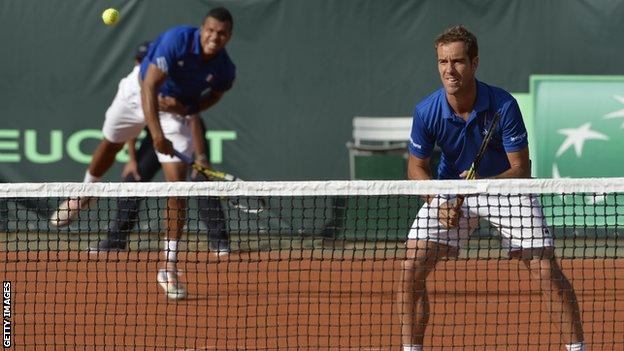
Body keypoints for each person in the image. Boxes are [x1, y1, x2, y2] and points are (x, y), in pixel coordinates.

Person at [397, 25, 585, 351]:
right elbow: (416, 167)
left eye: (457, 61)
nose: (449, 70)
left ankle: (577, 348)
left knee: (545, 270)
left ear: (474, 63)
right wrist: (437, 200)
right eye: (442, 62)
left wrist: (480, 187)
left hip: (505, 190)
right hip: (449, 190)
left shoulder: (503, 105)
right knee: (410, 269)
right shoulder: (426, 111)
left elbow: (522, 169)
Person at [50, 7, 236, 300]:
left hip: (173, 112)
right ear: (202, 29)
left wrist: (187, 109)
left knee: (177, 188)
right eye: (211, 31)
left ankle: (169, 265)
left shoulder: (225, 69)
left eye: (222, 33)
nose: (215, 37)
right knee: (110, 143)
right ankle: (85, 191)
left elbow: (215, 95)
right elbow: (149, 86)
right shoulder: (176, 40)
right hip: (138, 93)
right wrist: (157, 135)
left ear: (229, 36)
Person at [90, 43, 230, 255]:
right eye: (139, 59)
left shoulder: (170, 83)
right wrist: (132, 160)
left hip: (185, 133)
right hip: (155, 137)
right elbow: (131, 129)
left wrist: (201, 157)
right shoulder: (135, 88)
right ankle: (116, 239)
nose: (141, 63)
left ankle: (219, 241)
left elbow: (193, 120)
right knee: (133, 180)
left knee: (201, 181)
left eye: (144, 59)